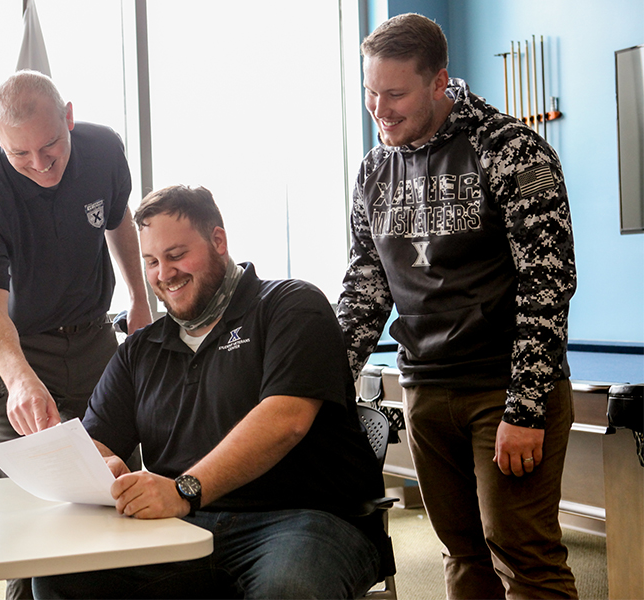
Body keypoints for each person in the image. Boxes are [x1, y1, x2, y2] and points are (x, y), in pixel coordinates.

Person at [32, 185, 392, 600]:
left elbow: (286, 420)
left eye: (176, 255)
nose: (164, 274)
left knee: (287, 591)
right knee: (59, 577)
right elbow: (95, 443)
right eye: (151, 261)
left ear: (218, 241)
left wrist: (185, 489)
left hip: (306, 519)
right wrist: (101, 467)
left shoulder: (291, 306)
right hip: (183, 530)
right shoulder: (140, 349)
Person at [337, 13, 578, 599]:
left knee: (523, 554)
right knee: (462, 556)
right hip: (423, 387)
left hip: (502, 388)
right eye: (371, 92)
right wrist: (326, 383)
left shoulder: (513, 150)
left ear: (440, 82)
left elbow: (547, 287)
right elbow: (366, 286)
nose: (379, 108)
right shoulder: (374, 169)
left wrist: (525, 409)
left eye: (395, 93)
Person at [0, 70, 151, 599]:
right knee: (31, 509)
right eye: (21, 154)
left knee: (117, 487)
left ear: (68, 117)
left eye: (50, 146)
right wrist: (19, 379)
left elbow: (119, 222)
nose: (41, 165)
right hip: (15, 349)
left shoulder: (103, 149)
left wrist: (138, 297)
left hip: (92, 338)